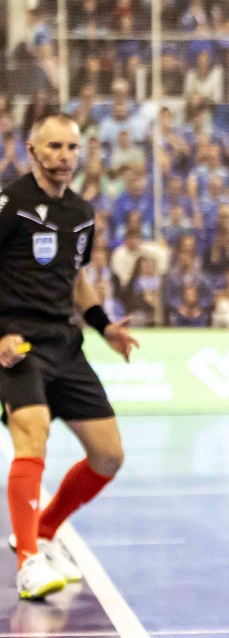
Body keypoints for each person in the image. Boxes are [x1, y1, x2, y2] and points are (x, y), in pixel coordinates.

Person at [0, 114, 138, 599]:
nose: (64, 157)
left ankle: (42, 530)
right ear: (32, 151)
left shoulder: (80, 211)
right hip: (17, 346)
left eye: (72, 148)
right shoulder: (9, 204)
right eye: (54, 147)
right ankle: (28, 563)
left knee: (108, 455)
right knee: (32, 436)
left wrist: (104, 326)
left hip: (65, 343)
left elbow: (76, 279)